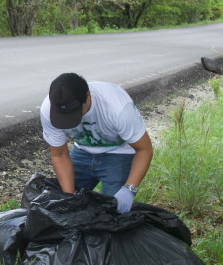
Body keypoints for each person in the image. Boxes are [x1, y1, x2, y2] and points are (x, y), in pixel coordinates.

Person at [40, 72, 153, 213]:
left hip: (119, 152)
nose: (68, 120)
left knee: (111, 212)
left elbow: (144, 149)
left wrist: (129, 189)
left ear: (87, 96)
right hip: (82, 151)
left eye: (75, 114)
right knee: (62, 205)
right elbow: (60, 154)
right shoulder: (48, 111)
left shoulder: (118, 109)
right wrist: (69, 200)